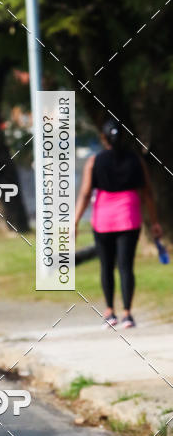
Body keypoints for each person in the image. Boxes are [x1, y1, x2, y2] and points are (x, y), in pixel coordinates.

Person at [75, 118, 162, 329]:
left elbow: (86, 193)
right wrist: (155, 222)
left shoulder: (94, 161)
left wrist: (75, 222)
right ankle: (127, 314)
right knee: (126, 266)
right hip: (129, 218)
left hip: (103, 220)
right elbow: (148, 193)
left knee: (106, 266)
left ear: (103, 138)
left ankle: (109, 312)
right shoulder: (136, 160)